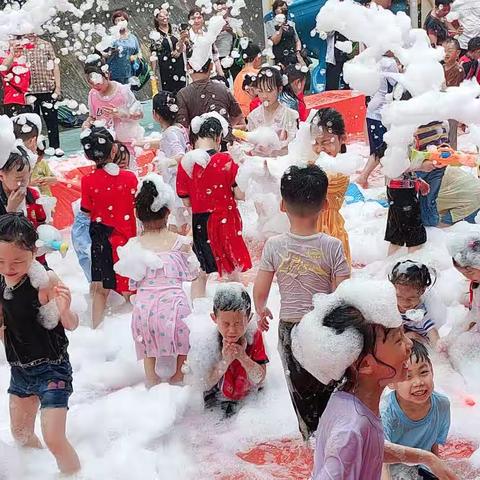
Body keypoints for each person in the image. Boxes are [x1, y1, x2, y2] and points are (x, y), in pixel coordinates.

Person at [290, 279, 458, 480]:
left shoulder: (350, 399)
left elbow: (369, 447)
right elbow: (350, 446)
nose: (409, 345)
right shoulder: (351, 429)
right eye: (398, 340)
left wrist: (427, 458)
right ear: (367, 365)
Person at [253, 164, 350, 440]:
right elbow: (341, 293)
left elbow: (260, 291)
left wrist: (261, 310)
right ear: (326, 203)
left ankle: (310, 437)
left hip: (290, 329)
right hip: (323, 327)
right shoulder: (332, 246)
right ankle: (334, 438)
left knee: (302, 393)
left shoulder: (274, 246)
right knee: (331, 388)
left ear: (282, 205)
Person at [0, 213, 80, 475]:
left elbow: (71, 324)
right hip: (20, 369)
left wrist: (65, 310)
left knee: (54, 438)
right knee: (21, 434)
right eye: (0, 261)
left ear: (34, 252)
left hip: (52, 368)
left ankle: (76, 475)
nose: (8, 267)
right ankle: (33, 472)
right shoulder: (1, 281)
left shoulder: (45, 281)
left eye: (17, 261)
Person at [115, 174, 198, 387]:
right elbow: (193, 273)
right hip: (176, 309)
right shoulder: (180, 243)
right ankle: (179, 375)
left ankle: (151, 379)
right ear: (168, 212)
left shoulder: (135, 246)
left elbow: (132, 283)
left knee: (145, 338)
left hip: (145, 311)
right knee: (186, 335)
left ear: (136, 214)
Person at [176, 115, 251, 299]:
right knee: (231, 271)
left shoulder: (187, 164)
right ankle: (237, 311)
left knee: (201, 272)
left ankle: (197, 315)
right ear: (218, 138)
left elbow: (186, 201)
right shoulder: (226, 161)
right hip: (225, 221)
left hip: (201, 222)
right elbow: (240, 194)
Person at [80, 127, 137, 329]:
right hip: (126, 239)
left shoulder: (87, 181)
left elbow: (86, 211)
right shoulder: (129, 178)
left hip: (101, 239)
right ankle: (132, 331)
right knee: (130, 287)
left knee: (100, 289)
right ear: (114, 150)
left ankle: (96, 331)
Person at [382, 340, 451, 480]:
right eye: (408, 376)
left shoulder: (442, 405)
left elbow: (433, 449)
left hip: (421, 468)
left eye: (424, 372)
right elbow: (380, 459)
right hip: (391, 472)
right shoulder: (385, 412)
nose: (418, 382)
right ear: (390, 381)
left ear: (432, 369)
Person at [204, 284, 268, 417]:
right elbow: (206, 383)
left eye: (238, 323)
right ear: (214, 318)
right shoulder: (209, 339)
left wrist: (243, 357)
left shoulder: (254, 336)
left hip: (248, 399)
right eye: (226, 324)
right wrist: (225, 361)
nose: (232, 330)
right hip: (217, 399)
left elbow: (260, 378)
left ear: (249, 318)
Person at [139, 92, 190, 233]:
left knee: (182, 225)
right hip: (182, 183)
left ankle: (180, 250)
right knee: (180, 221)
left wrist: (167, 163)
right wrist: (143, 144)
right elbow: (164, 143)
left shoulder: (170, 133)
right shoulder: (178, 128)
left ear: (155, 114)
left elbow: (181, 155)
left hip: (176, 185)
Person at [310, 108, 351, 264]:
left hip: (330, 231)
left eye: (326, 142)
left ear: (342, 139)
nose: (320, 148)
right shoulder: (316, 164)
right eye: (316, 142)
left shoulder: (341, 169)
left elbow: (318, 184)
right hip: (310, 230)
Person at [82, 62, 144, 160]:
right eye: (91, 84)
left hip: (127, 143)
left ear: (107, 75)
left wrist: (123, 114)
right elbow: (93, 117)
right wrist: (87, 124)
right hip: (106, 145)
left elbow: (140, 114)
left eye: (98, 83)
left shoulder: (122, 91)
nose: (95, 87)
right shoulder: (93, 95)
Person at [176, 58, 245, 141]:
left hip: (199, 146)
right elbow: (238, 116)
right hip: (224, 143)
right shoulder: (222, 89)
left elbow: (183, 128)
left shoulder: (183, 94)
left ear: (188, 67)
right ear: (211, 66)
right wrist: (224, 128)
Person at [357, 52, 399, 189]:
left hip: (373, 109)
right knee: (382, 150)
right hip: (382, 110)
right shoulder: (389, 63)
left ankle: (364, 177)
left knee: (379, 149)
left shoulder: (373, 60)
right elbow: (396, 84)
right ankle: (364, 177)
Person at [24, 34, 63, 156]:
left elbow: (55, 66)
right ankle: (36, 150)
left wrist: (57, 87)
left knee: (52, 120)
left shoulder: (46, 45)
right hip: (30, 91)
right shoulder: (21, 46)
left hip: (47, 88)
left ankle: (55, 146)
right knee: (32, 123)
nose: (30, 33)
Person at [246, 66, 298, 156]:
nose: (264, 96)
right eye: (260, 91)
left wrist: (273, 153)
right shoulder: (253, 116)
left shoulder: (290, 115)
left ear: (280, 89)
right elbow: (250, 146)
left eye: (269, 91)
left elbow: (294, 148)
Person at [389, 261, 440, 345]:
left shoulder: (421, 313)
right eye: (399, 297)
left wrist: (439, 351)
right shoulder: (391, 304)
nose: (404, 302)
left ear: (422, 291)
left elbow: (433, 334)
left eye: (411, 298)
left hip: (420, 342)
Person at [150, 7, 187, 94]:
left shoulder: (175, 28)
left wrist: (178, 51)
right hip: (165, 66)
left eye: (166, 15)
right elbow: (153, 54)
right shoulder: (155, 34)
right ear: (156, 18)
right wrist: (153, 73)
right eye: (161, 16)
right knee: (169, 91)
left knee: (182, 89)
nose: (165, 18)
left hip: (179, 63)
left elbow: (184, 42)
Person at [187, 7, 225, 79]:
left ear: (203, 19)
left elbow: (215, 57)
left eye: (199, 18)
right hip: (192, 75)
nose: (196, 21)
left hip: (210, 74)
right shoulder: (187, 36)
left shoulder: (208, 35)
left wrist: (222, 75)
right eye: (193, 18)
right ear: (189, 20)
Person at [104, 10, 140, 85]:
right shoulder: (111, 38)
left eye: (122, 20)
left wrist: (134, 57)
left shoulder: (133, 38)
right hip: (113, 73)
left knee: (128, 94)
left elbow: (138, 53)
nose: (120, 22)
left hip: (129, 73)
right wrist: (111, 52)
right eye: (117, 20)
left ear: (126, 22)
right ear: (114, 23)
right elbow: (103, 53)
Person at [264, 0, 303, 68]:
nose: (283, 10)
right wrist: (280, 27)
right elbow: (275, 41)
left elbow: (297, 40)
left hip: (292, 56)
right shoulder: (270, 24)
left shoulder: (291, 24)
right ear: (275, 10)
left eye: (285, 9)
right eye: (281, 8)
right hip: (280, 57)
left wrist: (298, 52)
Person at [0, 37, 31, 117]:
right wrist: (12, 53)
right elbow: (4, 67)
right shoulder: (4, 56)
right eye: (12, 38)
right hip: (12, 100)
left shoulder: (25, 56)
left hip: (26, 99)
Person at [213, 0, 241, 81]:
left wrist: (231, 31)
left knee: (236, 80)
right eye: (220, 9)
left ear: (228, 9)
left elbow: (241, 37)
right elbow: (209, 39)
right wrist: (220, 30)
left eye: (224, 8)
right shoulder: (213, 22)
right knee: (221, 81)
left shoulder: (233, 21)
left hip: (233, 55)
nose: (223, 11)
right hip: (219, 56)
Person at [233, 42, 261, 118]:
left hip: (240, 115)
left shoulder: (237, 77)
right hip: (254, 114)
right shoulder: (259, 74)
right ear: (257, 58)